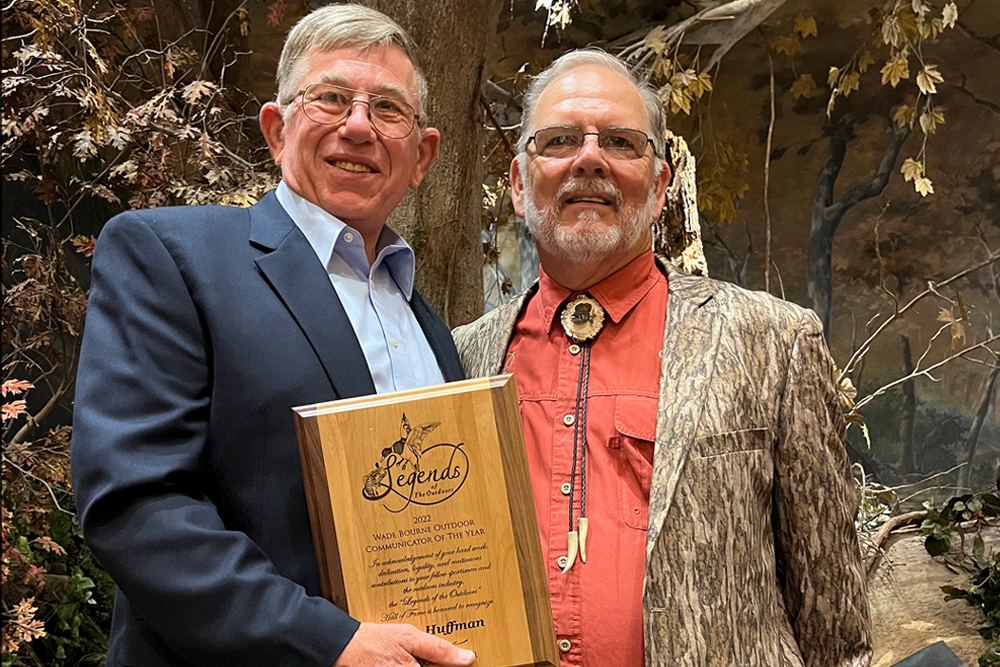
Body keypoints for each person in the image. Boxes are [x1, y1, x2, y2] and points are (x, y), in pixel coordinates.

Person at [71, 6, 476, 667]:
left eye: (387, 109)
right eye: (331, 98)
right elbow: (137, 503)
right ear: (277, 130)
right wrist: (326, 642)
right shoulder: (173, 257)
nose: (358, 126)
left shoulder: (430, 325)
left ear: (422, 156)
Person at [452, 49, 873, 667]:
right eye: (560, 140)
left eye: (621, 142)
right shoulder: (462, 358)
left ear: (658, 187)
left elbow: (834, 625)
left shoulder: (774, 342)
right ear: (518, 184)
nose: (589, 158)